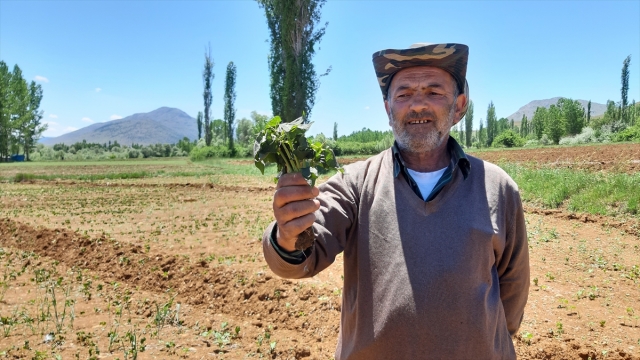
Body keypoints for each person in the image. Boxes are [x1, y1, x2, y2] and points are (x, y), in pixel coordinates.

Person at [261, 43, 530, 360]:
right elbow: (309, 251)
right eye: (403, 95)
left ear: (459, 106)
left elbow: (512, 289)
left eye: (433, 92)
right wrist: (291, 234)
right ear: (389, 109)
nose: (417, 105)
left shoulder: (497, 187)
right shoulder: (356, 183)